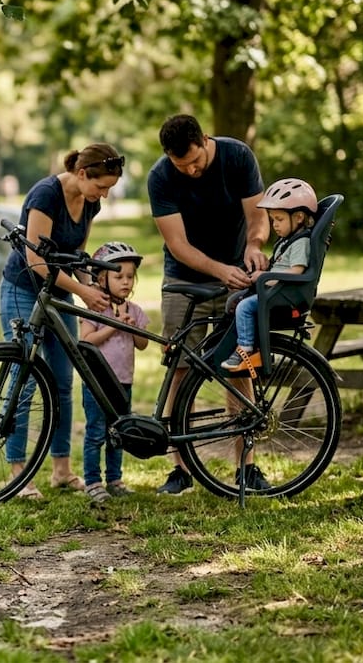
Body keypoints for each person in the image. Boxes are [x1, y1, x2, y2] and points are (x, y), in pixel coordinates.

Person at [147, 114, 270, 495]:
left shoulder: (238, 157)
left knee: (239, 367)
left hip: (236, 276)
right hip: (184, 281)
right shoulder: (161, 177)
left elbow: (258, 216)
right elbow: (178, 246)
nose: (191, 170)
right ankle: (180, 469)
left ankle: (246, 467)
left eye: (194, 161)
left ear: (204, 139)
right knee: (180, 370)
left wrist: (253, 246)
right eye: (181, 165)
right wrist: (219, 270)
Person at [0, 144, 124, 499]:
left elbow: (75, 257)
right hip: (24, 290)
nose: (104, 195)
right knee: (24, 380)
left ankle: (61, 469)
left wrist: (91, 290)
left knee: (63, 383)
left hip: (59, 291)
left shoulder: (90, 201)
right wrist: (83, 293)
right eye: (102, 186)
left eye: (109, 189)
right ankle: (17, 472)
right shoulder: (45, 194)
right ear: (83, 174)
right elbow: (37, 262)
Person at [78, 241, 150, 503]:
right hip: (97, 383)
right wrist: (113, 326)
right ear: (101, 278)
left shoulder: (135, 310)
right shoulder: (96, 308)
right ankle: (93, 481)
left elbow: (142, 345)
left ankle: (115, 478)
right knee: (96, 432)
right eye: (119, 276)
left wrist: (132, 329)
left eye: (130, 277)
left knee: (119, 432)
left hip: (123, 382)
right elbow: (86, 341)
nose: (126, 282)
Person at [221, 178, 318, 373]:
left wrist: (266, 277)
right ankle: (243, 343)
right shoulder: (288, 240)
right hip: (276, 291)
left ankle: (246, 349)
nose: (274, 225)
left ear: (298, 217)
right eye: (273, 219)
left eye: (279, 219)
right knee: (234, 302)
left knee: (245, 307)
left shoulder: (301, 242)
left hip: (284, 295)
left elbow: (296, 271)